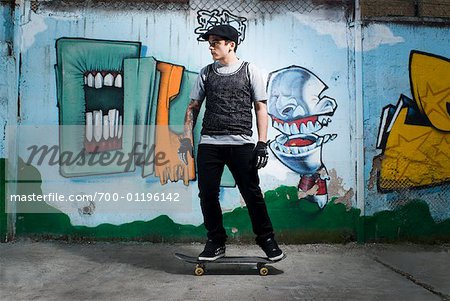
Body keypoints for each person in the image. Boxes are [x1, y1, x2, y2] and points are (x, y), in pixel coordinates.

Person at [179, 24, 284, 261]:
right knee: (207, 194)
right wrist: (186, 141)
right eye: (210, 42)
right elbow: (193, 107)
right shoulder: (206, 73)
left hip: (242, 144)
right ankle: (216, 242)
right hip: (210, 143)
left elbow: (261, 107)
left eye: (216, 42)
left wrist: (262, 143)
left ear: (231, 45)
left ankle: (267, 240)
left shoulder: (249, 71)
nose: (211, 46)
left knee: (252, 194)